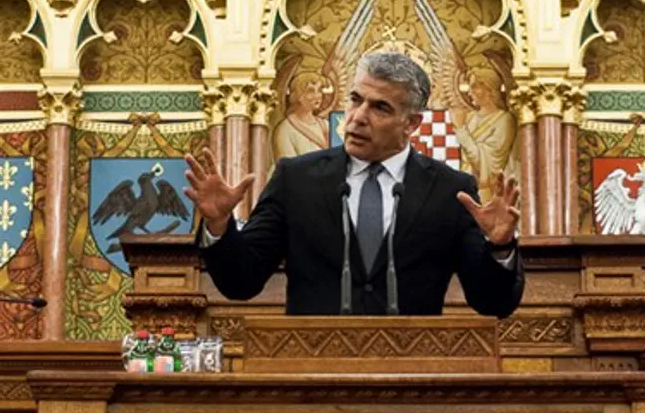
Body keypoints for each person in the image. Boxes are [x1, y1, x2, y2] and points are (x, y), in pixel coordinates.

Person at [183, 52, 524, 317]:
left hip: (412, 379)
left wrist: (501, 247)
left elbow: (493, 302)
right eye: (356, 99)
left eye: (380, 107)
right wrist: (219, 225)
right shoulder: (296, 179)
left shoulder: (451, 189)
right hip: (312, 375)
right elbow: (241, 281)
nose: (358, 117)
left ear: (412, 124)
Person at [450, 67, 518, 202]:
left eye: (475, 87)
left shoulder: (503, 120)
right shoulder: (469, 117)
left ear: (490, 90)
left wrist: (461, 129)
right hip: (463, 191)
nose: (470, 92)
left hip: (485, 196)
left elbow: (488, 166)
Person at [272, 72, 329, 160]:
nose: (317, 96)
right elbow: (287, 168)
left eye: (319, 90)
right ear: (298, 95)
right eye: (311, 91)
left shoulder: (326, 125)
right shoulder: (285, 130)